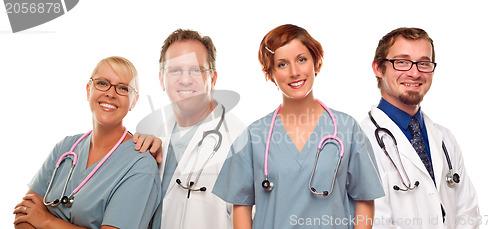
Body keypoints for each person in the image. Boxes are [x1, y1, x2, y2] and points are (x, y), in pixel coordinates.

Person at [212, 24, 384, 229]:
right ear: (271, 73)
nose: (294, 72)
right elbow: (241, 205)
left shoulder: (347, 129)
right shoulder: (255, 135)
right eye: (282, 64)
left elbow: (364, 199)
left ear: (315, 63)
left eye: (301, 60)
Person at [13, 56, 161, 229]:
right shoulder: (65, 147)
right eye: (102, 83)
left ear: (134, 101)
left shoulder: (140, 165)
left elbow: (36, 218)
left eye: (123, 88)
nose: (110, 93)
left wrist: (46, 221)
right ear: (88, 90)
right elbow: (24, 215)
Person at [359, 27, 479, 228]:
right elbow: (375, 223)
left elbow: (468, 213)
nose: (414, 73)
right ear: (379, 68)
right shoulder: (360, 143)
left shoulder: (445, 139)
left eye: (424, 63)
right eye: (402, 62)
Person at [134, 29, 246, 229]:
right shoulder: (155, 135)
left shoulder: (240, 141)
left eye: (196, 70)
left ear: (213, 78)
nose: (185, 80)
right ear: (162, 79)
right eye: (175, 70)